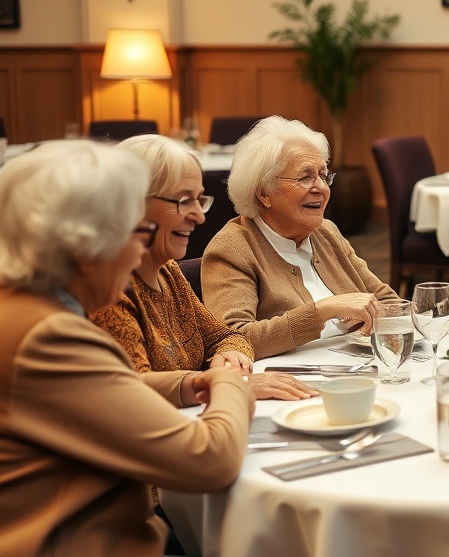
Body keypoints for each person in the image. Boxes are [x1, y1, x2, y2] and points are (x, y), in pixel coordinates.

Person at [0, 140, 252, 557]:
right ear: (86, 247)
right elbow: (210, 458)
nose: (139, 253)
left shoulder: (15, 307)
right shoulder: (48, 337)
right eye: (136, 232)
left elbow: (107, 394)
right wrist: (230, 383)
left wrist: (193, 382)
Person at [91, 134, 316, 400]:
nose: (199, 217)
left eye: (200, 200)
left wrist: (230, 357)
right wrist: (224, 385)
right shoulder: (106, 290)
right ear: (131, 203)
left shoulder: (166, 271)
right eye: (183, 201)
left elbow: (227, 336)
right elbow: (130, 392)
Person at [203, 115, 397, 358]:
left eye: (323, 176)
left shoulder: (325, 233)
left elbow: (384, 299)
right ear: (264, 193)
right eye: (305, 177)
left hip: (357, 370)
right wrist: (322, 311)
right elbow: (232, 339)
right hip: (291, 384)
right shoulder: (232, 248)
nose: (321, 188)